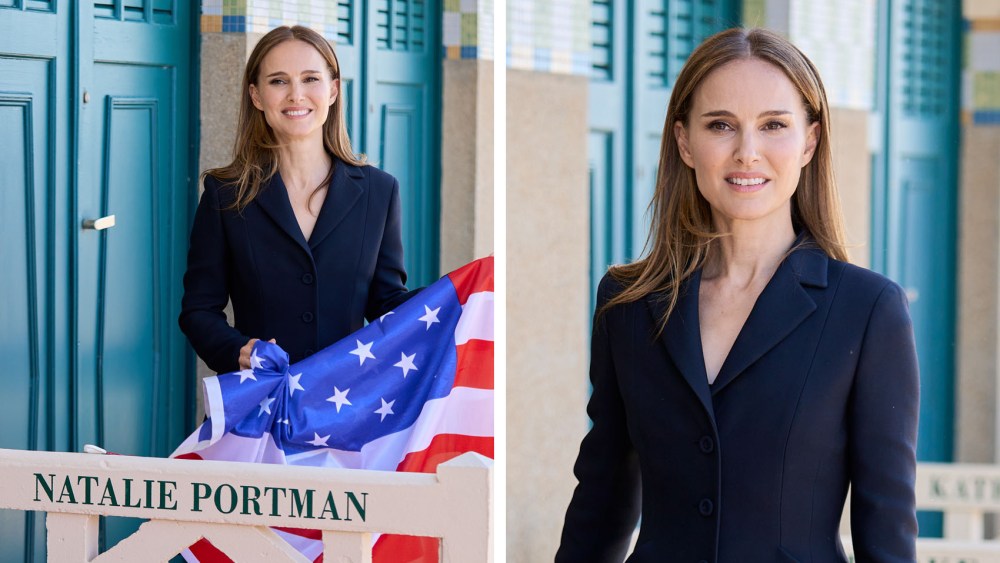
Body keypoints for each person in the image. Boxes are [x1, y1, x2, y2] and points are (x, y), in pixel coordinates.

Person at [556, 28, 919, 563]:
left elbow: (886, 524)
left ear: (809, 143)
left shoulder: (867, 312)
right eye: (721, 125)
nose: (747, 152)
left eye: (773, 125)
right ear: (684, 142)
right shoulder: (627, 302)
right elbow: (601, 497)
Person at [180, 25, 410, 374]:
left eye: (310, 79)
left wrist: (464, 299)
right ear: (256, 96)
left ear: (333, 90)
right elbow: (199, 310)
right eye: (278, 81)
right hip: (258, 404)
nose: (296, 95)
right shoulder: (225, 193)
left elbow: (388, 301)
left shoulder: (379, 191)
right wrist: (240, 350)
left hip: (345, 409)